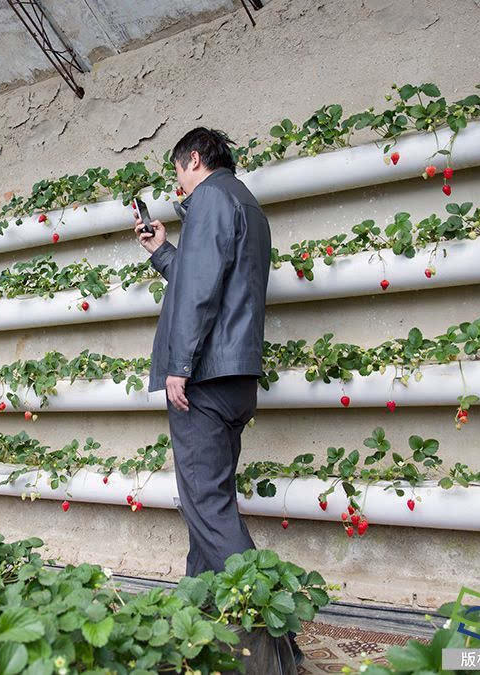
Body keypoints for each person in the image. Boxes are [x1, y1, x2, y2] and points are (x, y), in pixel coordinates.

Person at [135, 127, 303, 669]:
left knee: (208, 506)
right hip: (235, 380)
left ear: (193, 159)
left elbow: (202, 292)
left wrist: (179, 367)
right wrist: (163, 251)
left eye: (177, 171)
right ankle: (198, 632)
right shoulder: (247, 206)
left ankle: (277, 648)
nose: (178, 184)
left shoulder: (207, 199)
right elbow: (202, 278)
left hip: (203, 380)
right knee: (208, 510)